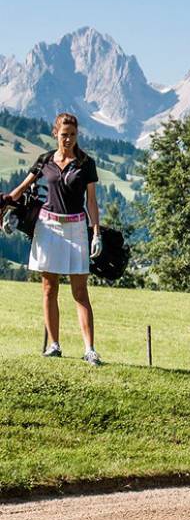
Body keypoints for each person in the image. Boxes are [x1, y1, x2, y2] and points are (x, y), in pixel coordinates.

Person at [6, 113, 104, 366]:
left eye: (72, 134)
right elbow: (20, 189)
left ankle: (90, 349)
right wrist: (6, 207)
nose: (68, 139)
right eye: (64, 134)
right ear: (55, 134)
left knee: (80, 291)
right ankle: (54, 345)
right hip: (47, 227)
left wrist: (96, 233)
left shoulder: (86, 163)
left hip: (75, 229)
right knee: (49, 288)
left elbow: (91, 201)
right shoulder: (44, 161)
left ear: (77, 135)